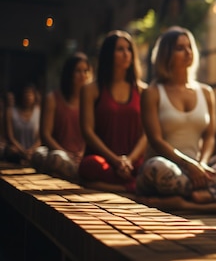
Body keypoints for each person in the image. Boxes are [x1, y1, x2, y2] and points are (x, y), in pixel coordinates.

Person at [135, 26, 216, 212]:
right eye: (180, 48)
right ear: (166, 55)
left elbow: (210, 136)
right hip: (169, 169)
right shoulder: (152, 92)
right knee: (155, 167)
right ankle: (213, 199)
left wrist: (202, 164)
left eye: (189, 47)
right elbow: (155, 140)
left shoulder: (205, 92)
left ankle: (186, 201)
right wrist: (189, 165)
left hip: (197, 169)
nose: (187, 52)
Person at [78, 30, 147, 193]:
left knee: (149, 168)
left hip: (132, 162)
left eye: (129, 49)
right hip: (104, 160)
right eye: (120, 49)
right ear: (109, 54)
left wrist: (128, 160)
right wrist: (115, 161)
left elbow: (147, 134)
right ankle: (128, 187)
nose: (126, 54)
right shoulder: (91, 90)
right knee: (91, 165)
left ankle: (114, 186)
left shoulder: (142, 90)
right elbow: (87, 131)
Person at [32, 52, 92, 180]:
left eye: (86, 71)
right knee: (42, 155)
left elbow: (92, 134)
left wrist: (82, 153)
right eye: (78, 71)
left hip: (81, 157)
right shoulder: (53, 99)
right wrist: (65, 153)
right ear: (69, 74)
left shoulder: (91, 102)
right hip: (57, 152)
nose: (83, 75)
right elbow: (45, 134)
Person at [4, 83, 41, 165]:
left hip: (34, 151)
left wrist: (31, 150)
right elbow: (10, 137)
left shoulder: (39, 112)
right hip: (17, 151)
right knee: (11, 150)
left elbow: (40, 138)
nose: (28, 96)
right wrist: (23, 151)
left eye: (30, 93)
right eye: (26, 93)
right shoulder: (10, 112)